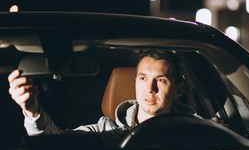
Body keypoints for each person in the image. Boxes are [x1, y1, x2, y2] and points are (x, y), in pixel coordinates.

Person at [8, 50, 191, 136]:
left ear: (178, 91)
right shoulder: (105, 131)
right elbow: (55, 142)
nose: (150, 88)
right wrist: (33, 111)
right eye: (143, 78)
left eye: (161, 80)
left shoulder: (197, 133)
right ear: (135, 82)